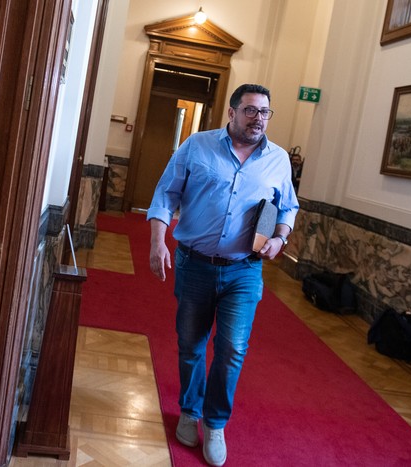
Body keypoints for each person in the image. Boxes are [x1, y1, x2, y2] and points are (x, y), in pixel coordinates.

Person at [146, 84, 299, 466]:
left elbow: (288, 208)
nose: (258, 118)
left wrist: (280, 238)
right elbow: (165, 195)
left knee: (232, 349)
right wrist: (157, 242)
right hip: (195, 264)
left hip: (244, 270)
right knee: (191, 344)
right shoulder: (197, 146)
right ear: (231, 113)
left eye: (265, 112)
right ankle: (189, 411)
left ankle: (215, 424)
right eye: (250, 110)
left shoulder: (278, 160)